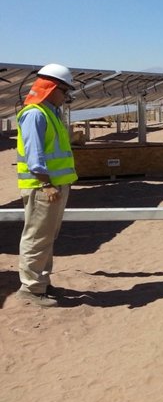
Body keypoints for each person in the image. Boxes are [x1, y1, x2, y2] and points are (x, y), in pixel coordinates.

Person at [16, 63, 78, 307]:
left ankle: (41, 282)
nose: (66, 97)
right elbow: (35, 154)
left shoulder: (50, 112)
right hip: (43, 187)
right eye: (65, 91)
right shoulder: (35, 114)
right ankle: (31, 288)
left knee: (47, 238)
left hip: (55, 186)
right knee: (36, 238)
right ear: (52, 88)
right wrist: (46, 185)